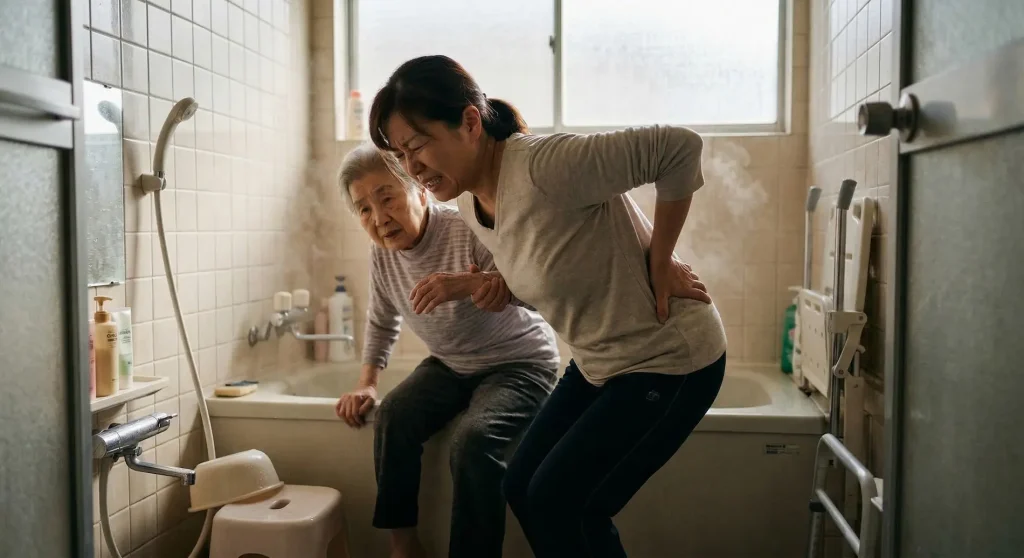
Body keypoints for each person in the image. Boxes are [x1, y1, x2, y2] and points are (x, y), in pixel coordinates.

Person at [367, 55, 729, 557]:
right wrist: (495, 288)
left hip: (668, 358)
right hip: (601, 363)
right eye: (400, 156)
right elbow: (553, 271)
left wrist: (661, 260)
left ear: (470, 122)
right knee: (521, 488)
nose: (413, 168)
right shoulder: (473, 205)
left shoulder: (544, 166)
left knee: (561, 500)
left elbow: (678, 148)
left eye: (418, 145)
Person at [333, 143, 560, 558]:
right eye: (364, 209)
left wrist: (483, 286)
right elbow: (383, 320)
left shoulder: (467, 229)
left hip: (520, 363)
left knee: (473, 441)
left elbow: (535, 293)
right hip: (453, 365)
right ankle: (403, 544)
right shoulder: (382, 256)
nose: (379, 218)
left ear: (419, 191)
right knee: (392, 416)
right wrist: (367, 383)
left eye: (387, 198)